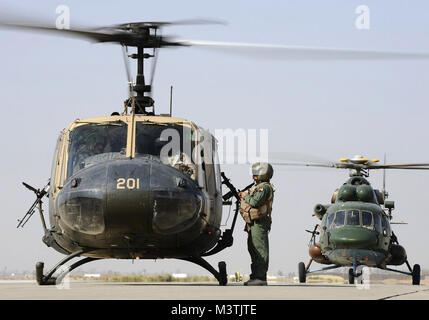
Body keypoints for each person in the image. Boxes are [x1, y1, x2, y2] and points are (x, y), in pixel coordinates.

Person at [239, 162, 274, 286]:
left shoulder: (264, 188)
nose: (254, 176)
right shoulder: (259, 186)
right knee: (253, 249)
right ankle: (255, 276)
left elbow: (255, 201)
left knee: (260, 249)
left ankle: (260, 277)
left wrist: (245, 196)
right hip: (253, 222)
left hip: (259, 222)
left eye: (256, 173)